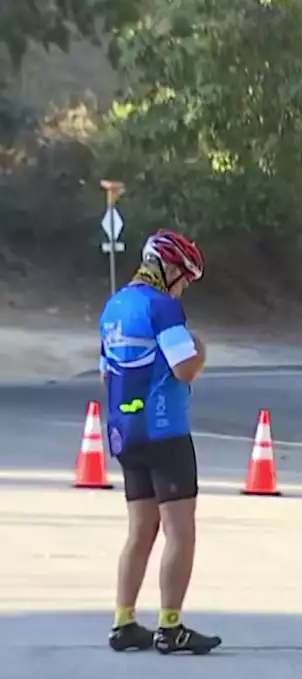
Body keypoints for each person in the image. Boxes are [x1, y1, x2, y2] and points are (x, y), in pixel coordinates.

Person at [99, 229, 221, 655]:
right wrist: (201, 348)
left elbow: (105, 373)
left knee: (140, 532)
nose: (185, 286)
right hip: (165, 431)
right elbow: (185, 368)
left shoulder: (113, 307)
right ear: (169, 269)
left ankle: (124, 621)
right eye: (185, 277)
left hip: (124, 431)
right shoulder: (163, 307)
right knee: (179, 532)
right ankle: (171, 626)